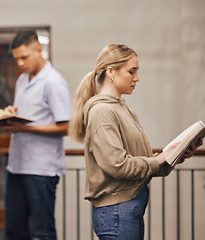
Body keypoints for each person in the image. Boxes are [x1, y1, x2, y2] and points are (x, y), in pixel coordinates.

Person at [68, 43, 203, 240]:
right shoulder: (102, 111)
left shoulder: (121, 109)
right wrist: (158, 160)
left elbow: (142, 163)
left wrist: (174, 155)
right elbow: (117, 165)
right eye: (132, 72)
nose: (136, 78)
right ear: (111, 71)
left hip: (125, 210)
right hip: (116, 212)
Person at [1, 30, 71, 240]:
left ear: (39, 51)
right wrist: (13, 112)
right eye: (17, 59)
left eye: (24, 57)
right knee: (14, 230)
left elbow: (65, 126)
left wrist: (25, 128)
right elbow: (29, 112)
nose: (20, 63)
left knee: (42, 232)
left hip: (42, 169)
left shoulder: (53, 82)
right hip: (17, 165)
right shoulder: (23, 79)